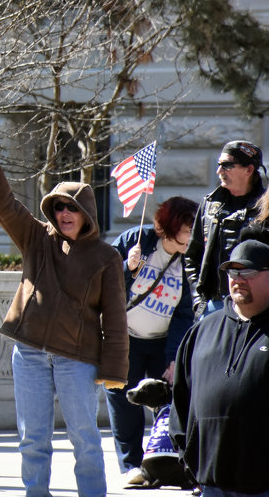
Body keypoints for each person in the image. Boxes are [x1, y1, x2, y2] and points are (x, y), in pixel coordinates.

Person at [0, 124, 128, 497]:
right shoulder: (37, 238)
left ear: (86, 212)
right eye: (58, 208)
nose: (63, 214)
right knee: (32, 441)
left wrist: (114, 371)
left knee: (86, 441)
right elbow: (7, 206)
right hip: (29, 355)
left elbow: (116, 320)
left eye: (71, 208)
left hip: (77, 359)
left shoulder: (106, 257)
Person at [105, 196, 197, 485]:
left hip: (162, 342)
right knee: (124, 400)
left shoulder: (188, 257)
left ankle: (169, 462)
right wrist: (126, 268)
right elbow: (100, 282)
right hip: (125, 338)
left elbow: (184, 312)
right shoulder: (136, 240)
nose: (193, 237)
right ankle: (131, 465)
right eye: (187, 229)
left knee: (170, 403)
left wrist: (174, 357)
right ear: (170, 227)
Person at [170, 238, 269, 496]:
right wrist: (187, 459)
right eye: (232, 271)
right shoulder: (202, 331)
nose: (237, 278)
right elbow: (180, 399)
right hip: (210, 482)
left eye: (247, 271)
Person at [184, 140, 265, 316]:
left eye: (227, 165)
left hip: (256, 306)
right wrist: (198, 300)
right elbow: (192, 256)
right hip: (212, 305)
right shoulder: (209, 204)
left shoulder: (265, 207)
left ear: (249, 170)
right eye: (218, 164)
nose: (219, 171)